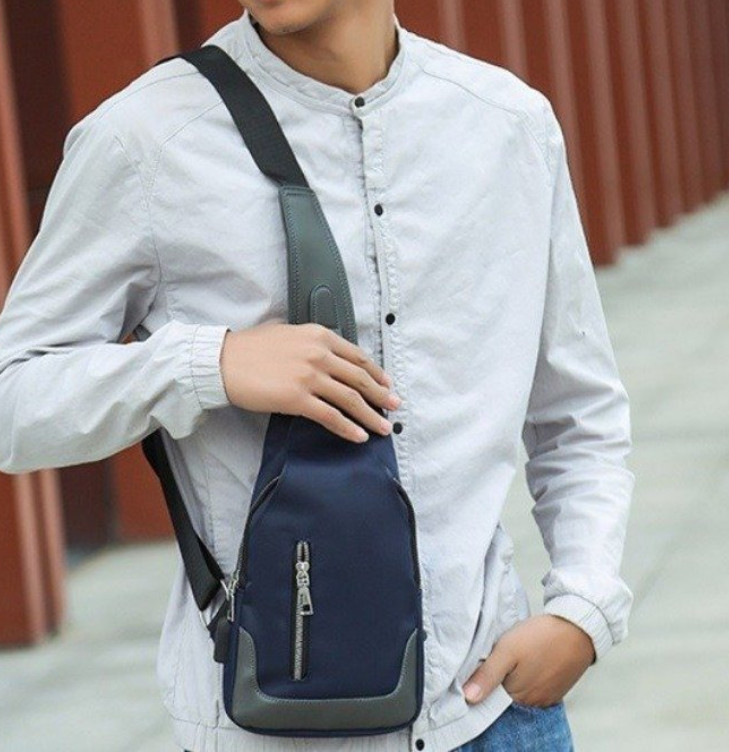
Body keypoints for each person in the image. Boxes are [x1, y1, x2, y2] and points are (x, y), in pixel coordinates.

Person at [0, 1, 635, 750]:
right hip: (268, 724)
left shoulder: (508, 126)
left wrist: (583, 608)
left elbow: (576, 411)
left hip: (493, 713)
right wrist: (209, 364)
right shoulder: (142, 140)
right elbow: (16, 398)